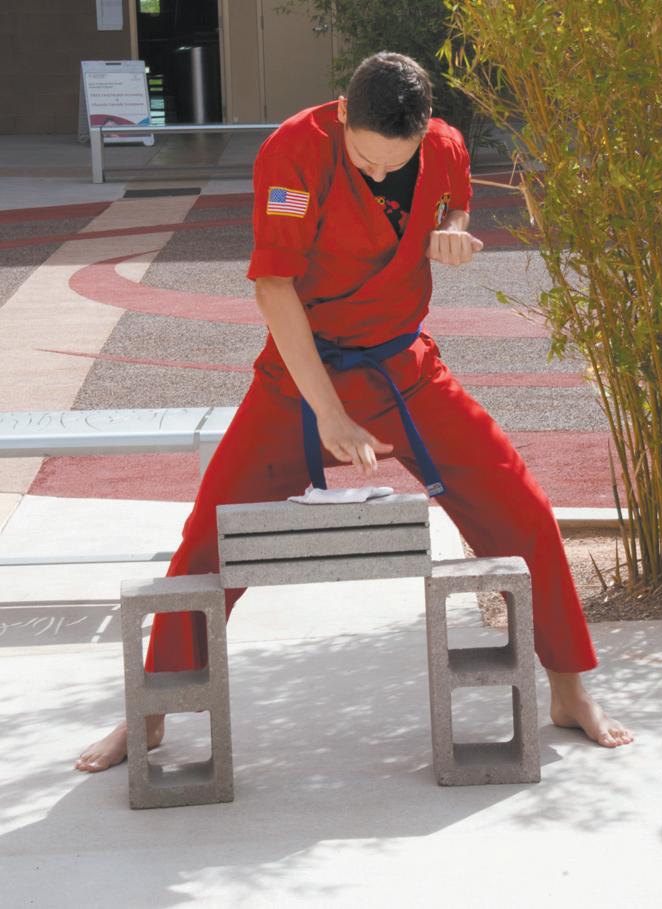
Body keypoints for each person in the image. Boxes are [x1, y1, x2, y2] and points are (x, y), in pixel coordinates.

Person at [76, 51, 632, 773]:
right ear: (342, 112)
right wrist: (330, 415)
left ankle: (568, 689)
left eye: (392, 163)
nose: (376, 174)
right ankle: (150, 711)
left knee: (522, 507)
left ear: (425, 130)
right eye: (365, 160)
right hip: (300, 376)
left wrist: (454, 227)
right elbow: (273, 287)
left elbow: (455, 198)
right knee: (208, 534)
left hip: (405, 371)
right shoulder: (292, 155)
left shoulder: (444, 146)